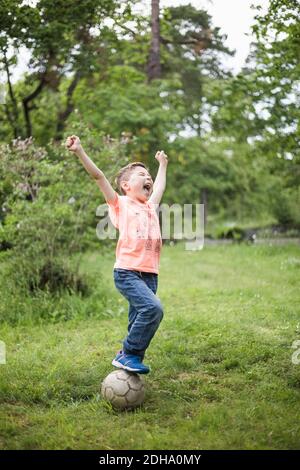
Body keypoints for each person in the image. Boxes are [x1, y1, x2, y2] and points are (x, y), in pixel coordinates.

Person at [65, 135, 168, 374]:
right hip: (128, 272)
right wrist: (80, 151)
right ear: (126, 186)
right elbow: (99, 176)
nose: (148, 178)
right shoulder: (119, 203)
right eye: (142, 175)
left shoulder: (150, 206)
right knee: (153, 309)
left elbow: (160, 186)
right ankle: (129, 353)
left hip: (150, 274)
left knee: (138, 319)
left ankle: (129, 359)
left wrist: (162, 165)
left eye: (149, 176)